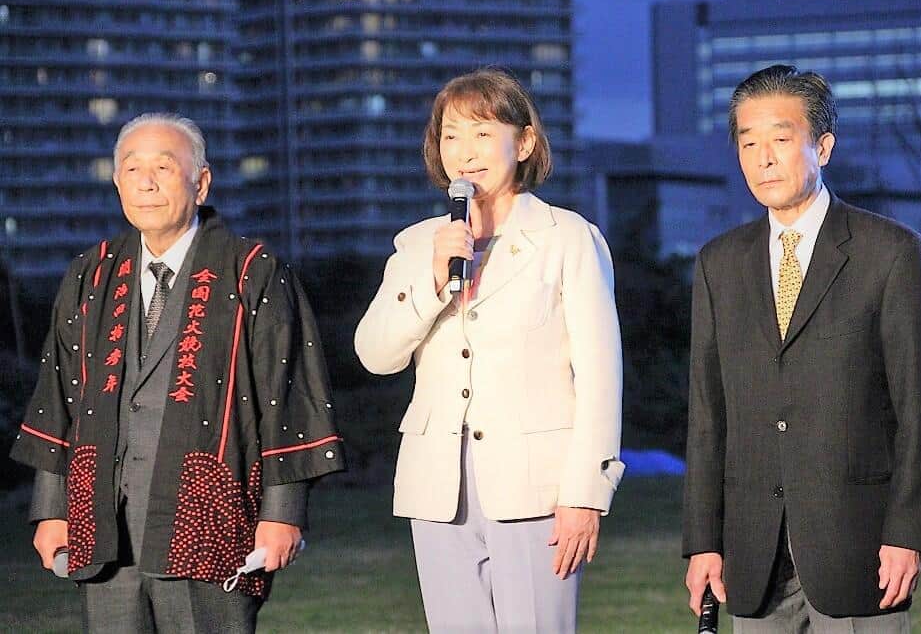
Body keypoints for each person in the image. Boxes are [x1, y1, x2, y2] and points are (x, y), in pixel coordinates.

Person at [11, 113, 346, 632]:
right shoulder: (91, 275)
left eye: (164, 167)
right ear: (117, 181)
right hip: (104, 525)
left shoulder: (252, 271)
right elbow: (58, 397)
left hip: (207, 520)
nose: (146, 182)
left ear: (201, 181)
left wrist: (283, 513)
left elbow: (289, 396)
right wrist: (51, 508)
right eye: (132, 168)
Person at [682, 64, 921, 633]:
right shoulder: (718, 264)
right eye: (748, 142)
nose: (763, 158)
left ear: (823, 147)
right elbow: (708, 417)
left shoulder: (892, 254)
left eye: (781, 139)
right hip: (751, 555)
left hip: (861, 548)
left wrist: (909, 532)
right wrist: (703, 541)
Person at [354, 68, 624, 632]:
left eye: (482, 133)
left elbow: (601, 377)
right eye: (451, 135)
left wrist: (585, 494)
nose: (465, 152)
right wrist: (432, 280)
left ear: (523, 142)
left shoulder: (567, 237)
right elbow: (375, 353)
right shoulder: (417, 244)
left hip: (537, 486)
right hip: (437, 485)